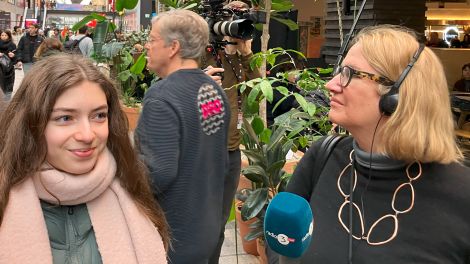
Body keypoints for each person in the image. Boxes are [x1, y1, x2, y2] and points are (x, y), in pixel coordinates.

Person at [286, 24, 470, 263]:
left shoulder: (462, 196)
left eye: (349, 74)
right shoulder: (323, 157)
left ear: (396, 95)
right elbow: (282, 240)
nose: (330, 85)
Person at [0, 54, 170, 263]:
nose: (88, 135)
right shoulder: (4, 197)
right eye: (65, 118)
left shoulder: (130, 184)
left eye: (99, 115)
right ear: (30, 124)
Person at [135, 9, 230, 264]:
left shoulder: (162, 97)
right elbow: (215, 153)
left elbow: (157, 173)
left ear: (173, 47)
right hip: (205, 229)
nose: (147, 46)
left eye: (152, 39)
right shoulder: (213, 92)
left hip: (173, 235)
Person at [200, 1, 261, 262]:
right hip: (203, 153)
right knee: (200, 220)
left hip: (231, 150)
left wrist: (246, 51)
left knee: (219, 224)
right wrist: (200, 80)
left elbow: (257, 92)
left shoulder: (236, 55)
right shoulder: (203, 51)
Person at [0, 29, 16, 95]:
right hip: (0, 69)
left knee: (8, 88)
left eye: (5, 35)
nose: (3, 36)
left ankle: (7, 102)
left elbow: (16, 59)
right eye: (2, 35)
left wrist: (13, 55)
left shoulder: (12, 45)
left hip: (9, 70)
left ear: (9, 36)